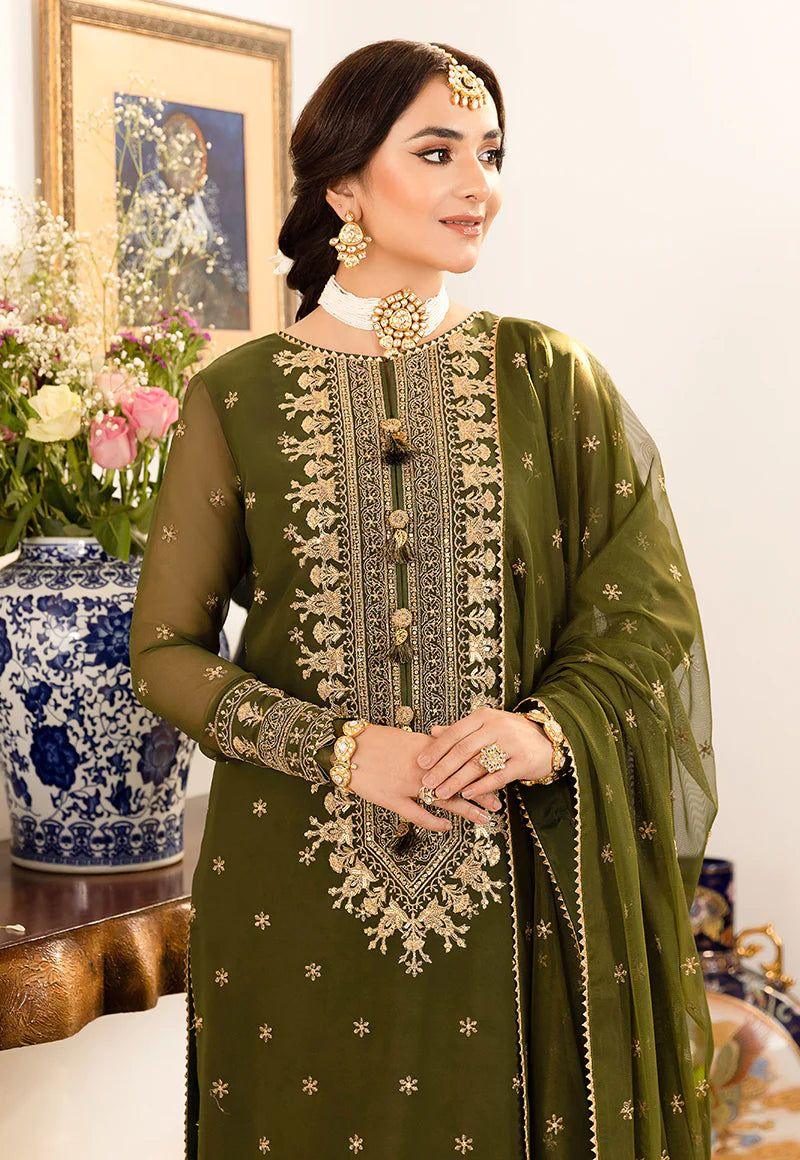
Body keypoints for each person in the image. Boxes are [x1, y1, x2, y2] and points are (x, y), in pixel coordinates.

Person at [129, 39, 719, 1160]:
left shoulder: (550, 376)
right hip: (292, 884)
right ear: (344, 183)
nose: (476, 186)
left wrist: (542, 730)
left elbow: (645, 613)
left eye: (488, 154)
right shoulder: (235, 392)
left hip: (520, 878)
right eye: (438, 151)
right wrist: (351, 751)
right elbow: (162, 649)